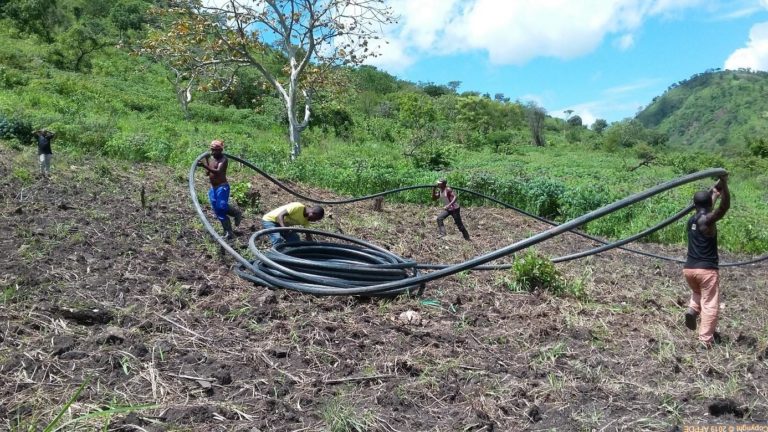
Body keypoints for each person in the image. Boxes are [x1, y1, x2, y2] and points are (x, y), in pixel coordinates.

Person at [683, 174, 730, 348]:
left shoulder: (691, 220)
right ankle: (705, 341)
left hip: (689, 270)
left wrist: (719, 187)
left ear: (695, 205)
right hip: (706, 271)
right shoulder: (707, 220)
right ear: (710, 205)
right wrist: (725, 185)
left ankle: (692, 310)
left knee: (698, 293)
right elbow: (723, 208)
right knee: (710, 304)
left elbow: (708, 200)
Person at [197, 140, 242, 240]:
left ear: (220, 150)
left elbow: (218, 172)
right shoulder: (212, 159)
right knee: (218, 210)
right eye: (212, 150)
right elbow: (208, 173)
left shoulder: (223, 159)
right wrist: (206, 161)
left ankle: (236, 213)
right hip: (214, 188)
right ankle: (228, 232)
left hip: (222, 187)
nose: (213, 152)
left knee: (221, 207)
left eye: (215, 151)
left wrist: (204, 165)